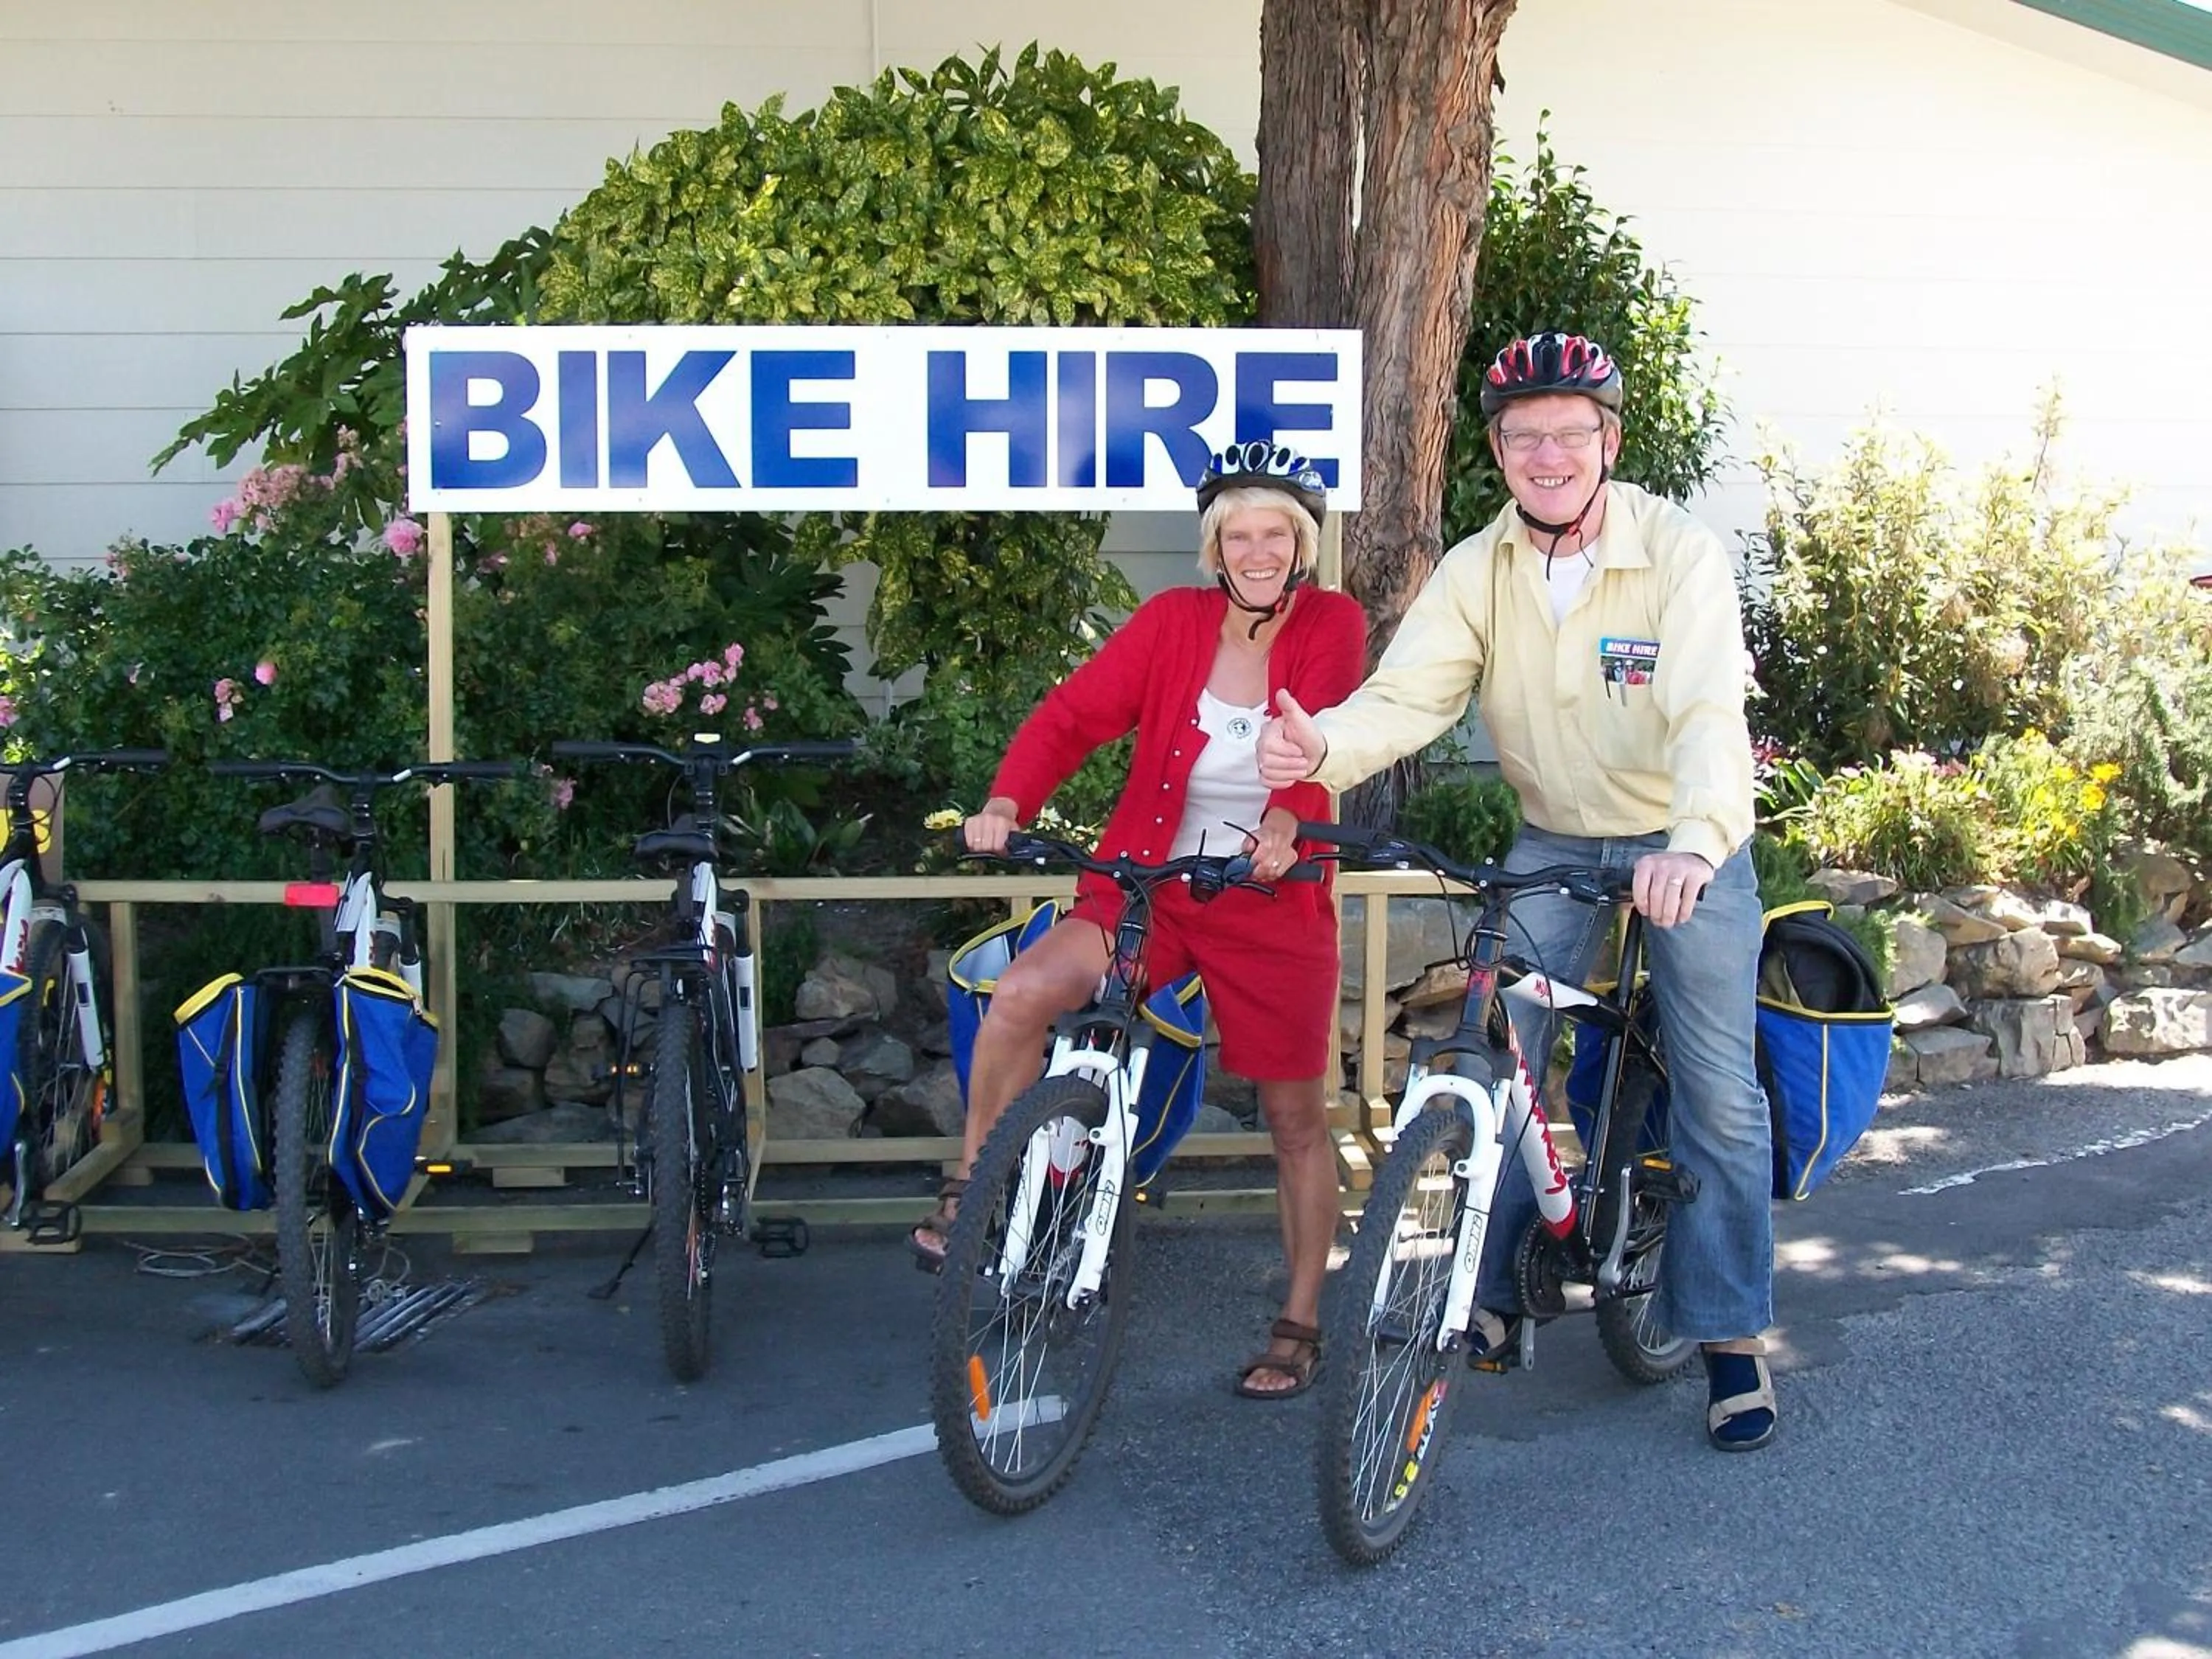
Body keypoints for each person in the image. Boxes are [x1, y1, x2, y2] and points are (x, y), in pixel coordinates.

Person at [1257, 332, 1779, 1451]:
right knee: (1496, 1055)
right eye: (1524, 434)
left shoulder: (1676, 551)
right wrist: (1324, 743)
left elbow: (1703, 716)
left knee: (1717, 1092)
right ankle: (1487, 1293)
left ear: (1609, 441)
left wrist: (1691, 844)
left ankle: (1730, 1337)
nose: (1548, 453)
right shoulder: (1478, 567)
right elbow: (1409, 696)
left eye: (1569, 431)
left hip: (1686, 839)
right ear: (1498, 449)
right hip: (1557, 838)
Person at [911, 441, 1366, 1402]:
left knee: (1292, 1117)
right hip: (1147, 884)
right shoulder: (1172, 623)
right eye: (1237, 534)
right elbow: (1074, 716)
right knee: (1025, 989)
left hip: (1270, 898)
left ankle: (1299, 1320)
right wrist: (1008, 801)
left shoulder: (1331, 621)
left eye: (1275, 533)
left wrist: (1288, 826)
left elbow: (1323, 733)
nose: (1257, 551)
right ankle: (972, 1185)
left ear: (1303, 543)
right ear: (1213, 546)